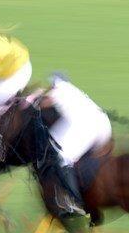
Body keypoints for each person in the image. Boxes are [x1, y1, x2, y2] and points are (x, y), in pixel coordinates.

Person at [39, 74, 112, 216]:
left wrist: (32, 99)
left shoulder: (59, 89)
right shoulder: (73, 91)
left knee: (62, 158)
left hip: (86, 126)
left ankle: (74, 202)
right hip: (103, 126)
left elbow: (43, 103)